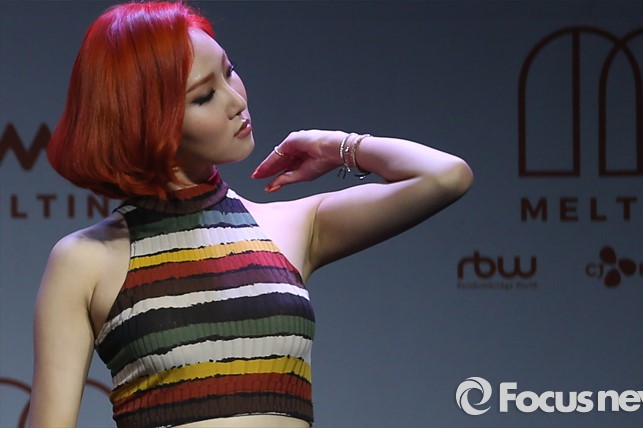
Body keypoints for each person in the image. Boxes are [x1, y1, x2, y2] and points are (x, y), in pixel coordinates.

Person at [29, 1, 473, 427]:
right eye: (205, 96)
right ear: (147, 121)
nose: (236, 100)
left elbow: (446, 177)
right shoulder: (85, 260)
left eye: (230, 71)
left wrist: (334, 145)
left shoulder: (288, 227)